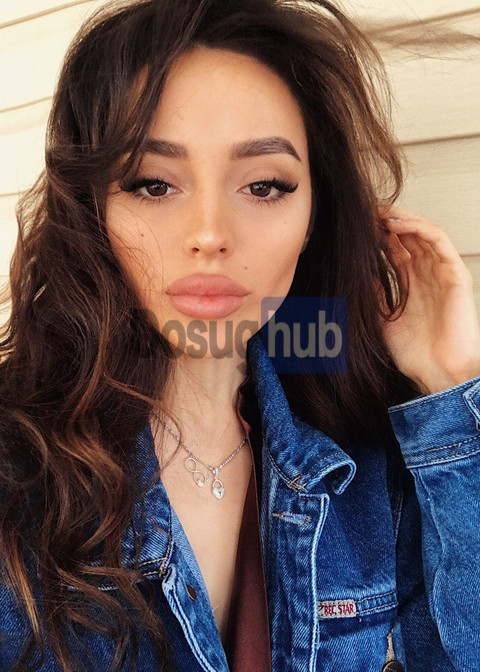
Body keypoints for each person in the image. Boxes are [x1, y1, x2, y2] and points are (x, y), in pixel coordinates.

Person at [0, 0, 479, 670]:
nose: (209, 234)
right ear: (91, 208)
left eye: (263, 185)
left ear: (315, 215)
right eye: (152, 184)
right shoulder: (18, 468)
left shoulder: (366, 447)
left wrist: (450, 380)